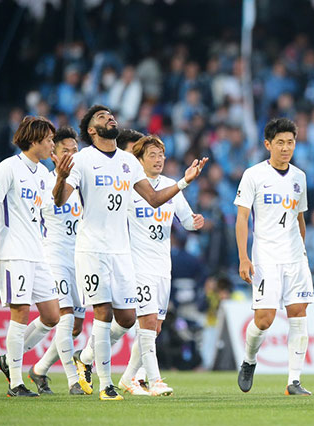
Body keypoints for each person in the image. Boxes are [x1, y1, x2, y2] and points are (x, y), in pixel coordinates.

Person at [52, 104, 207, 401]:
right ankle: (106, 385)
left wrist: (185, 181)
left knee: (125, 319)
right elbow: (60, 200)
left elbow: (153, 199)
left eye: (110, 114)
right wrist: (60, 177)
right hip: (93, 249)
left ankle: (85, 358)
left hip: (121, 252)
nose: (110, 117)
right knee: (103, 312)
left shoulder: (127, 161)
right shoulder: (82, 160)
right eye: (101, 116)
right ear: (92, 130)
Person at [118, 135, 204, 396]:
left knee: (155, 327)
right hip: (138, 264)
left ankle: (128, 378)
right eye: (152, 155)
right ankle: (154, 381)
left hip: (162, 267)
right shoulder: (130, 188)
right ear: (139, 160)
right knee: (147, 321)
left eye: (161, 155)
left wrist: (195, 222)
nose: (158, 160)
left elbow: (186, 221)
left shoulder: (169, 186)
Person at [235, 117, 313, 396]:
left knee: (298, 314)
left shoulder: (299, 177)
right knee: (264, 319)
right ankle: (249, 360)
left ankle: (294, 381)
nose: (286, 148)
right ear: (268, 145)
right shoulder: (253, 175)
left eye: (290, 142)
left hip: (295, 256)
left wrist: (301, 250)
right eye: (280, 142)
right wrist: (243, 257)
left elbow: (300, 218)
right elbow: (242, 218)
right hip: (265, 256)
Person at [0, 116, 60, 397]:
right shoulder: (7, 168)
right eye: (49, 140)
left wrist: (62, 176)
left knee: (52, 315)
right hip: (14, 253)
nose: (52, 144)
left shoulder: (43, 173)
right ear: (34, 140)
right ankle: (16, 383)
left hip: (37, 253)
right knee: (20, 313)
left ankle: (9, 359)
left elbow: (50, 210)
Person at [29, 126, 89, 395]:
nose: (72, 155)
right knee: (65, 317)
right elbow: (50, 205)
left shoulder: (83, 183)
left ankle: (38, 369)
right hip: (54, 255)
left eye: (75, 150)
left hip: (81, 257)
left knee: (75, 326)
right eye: (66, 150)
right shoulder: (45, 181)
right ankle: (73, 381)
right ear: (54, 153)